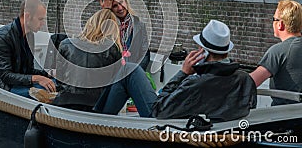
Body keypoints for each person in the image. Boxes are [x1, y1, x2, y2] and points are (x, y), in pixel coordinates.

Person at [94, 20, 257, 122]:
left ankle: (97, 120)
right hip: (215, 129)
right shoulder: (245, 79)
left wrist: (183, 73)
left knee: (129, 69)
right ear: (226, 51)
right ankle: (98, 116)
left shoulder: (196, 82)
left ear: (203, 52)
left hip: (159, 122)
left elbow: (160, 110)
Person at [0, 0, 56, 98]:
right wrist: (38, 78)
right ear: (27, 16)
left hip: (17, 82)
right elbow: (5, 76)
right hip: (2, 86)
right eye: (40, 19)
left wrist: (48, 74)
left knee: (55, 84)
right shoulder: (3, 37)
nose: (42, 23)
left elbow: (28, 70)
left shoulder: (30, 35)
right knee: (44, 94)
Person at [52, 9, 123, 111]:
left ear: (90, 23)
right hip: (96, 106)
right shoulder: (113, 49)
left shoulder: (66, 44)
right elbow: (116, 85)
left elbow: (59, 79)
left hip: (65, 102)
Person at [250, 0, 302, 105]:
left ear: (280, 24)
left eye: (274, 19)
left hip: (284, 116)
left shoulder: (277, 51)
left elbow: (251, 82)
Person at [100, 0, 150, 70]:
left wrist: (135, 72)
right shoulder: (107, 26)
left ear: (126, 2)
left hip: (133, 72)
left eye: (121, 3)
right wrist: (106, 10)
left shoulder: (139, 25)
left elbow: (145, 54)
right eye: (115, 6)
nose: (120, 8)